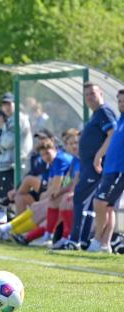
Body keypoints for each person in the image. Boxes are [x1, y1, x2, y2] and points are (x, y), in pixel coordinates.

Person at [61, 82, 117, 250]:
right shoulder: (96, 114)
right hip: (89, 165)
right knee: (86, 200)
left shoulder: (104, 112)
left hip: (96, 166)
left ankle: (75, 240)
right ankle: (84, 240)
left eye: (93, 93)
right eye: (86, 95)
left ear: (101, 93)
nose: (90, 98)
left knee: (80, 197)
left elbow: (112, 134)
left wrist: (98, 156)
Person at [0, 139, 72, 243]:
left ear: (54, 149)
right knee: (22, 199)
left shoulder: (60, 160)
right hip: (63, 197)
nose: (46, 157)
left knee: (40, 208)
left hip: (70, 199)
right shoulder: (54, 162)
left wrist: (43, 201)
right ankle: (11, 232)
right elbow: (52, 186)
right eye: (43, 155)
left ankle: (8, 231)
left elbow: (55, 187)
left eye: (47, 153)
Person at [89, 89, 124, 252]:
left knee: (100, 202)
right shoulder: (120, 120)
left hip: (119, 171)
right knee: (108, 207)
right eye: (119, 101)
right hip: (110, 169)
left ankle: (96, 240)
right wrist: (101, 157)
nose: (121, 104)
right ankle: (105, 244)